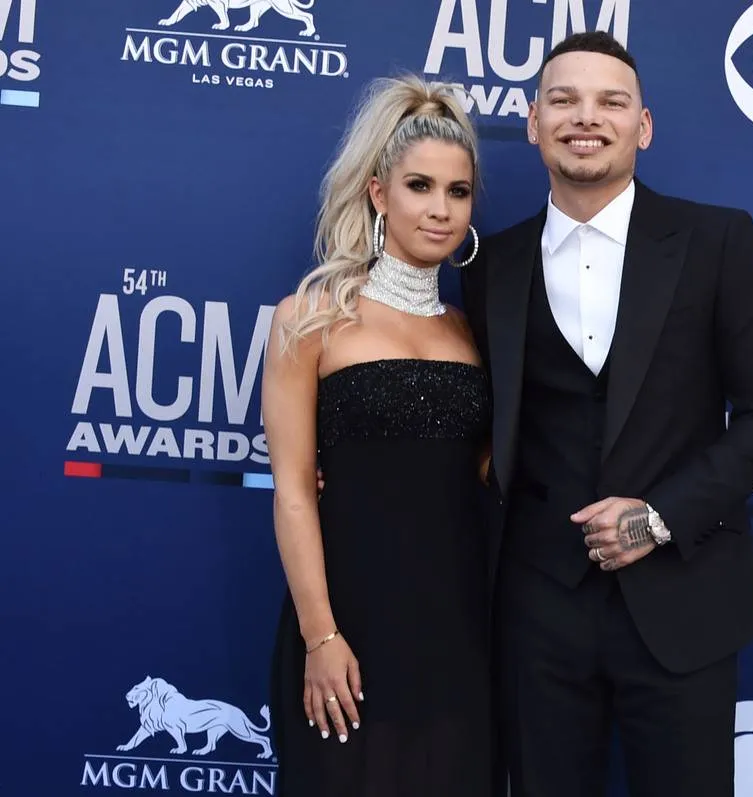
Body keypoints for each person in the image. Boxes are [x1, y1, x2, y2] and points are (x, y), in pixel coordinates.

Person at [460, 31, 753, 797]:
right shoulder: (490, 265)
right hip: (536, 611)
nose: (588, 117)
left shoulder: (718, 241)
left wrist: (659, 515)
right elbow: (471, 417)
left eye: (611, 102)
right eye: (565, 99)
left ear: (641, 126)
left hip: (683, 602)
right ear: (531, 121)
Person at [261, 74, 492, 796]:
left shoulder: (476, 333)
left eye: (458, 192)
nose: (440, 209)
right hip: (349, 623)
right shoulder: (311, 316)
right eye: (420, 185)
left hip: (459, 630)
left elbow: (487, 475)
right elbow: (295, 491)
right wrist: (320, 635)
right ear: (378, 193)